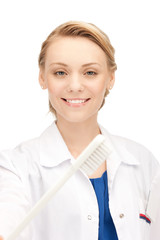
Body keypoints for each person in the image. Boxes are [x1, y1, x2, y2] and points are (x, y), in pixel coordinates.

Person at [0, 21, 160, 240]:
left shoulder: (142, 161)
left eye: (90, 72)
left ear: (110, 78)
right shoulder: (14, 168)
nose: (75, 85)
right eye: (60, 72)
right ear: (42, 77)